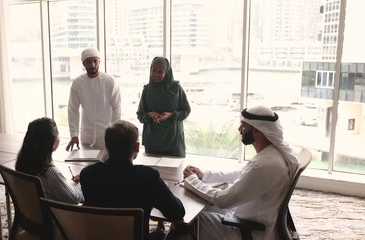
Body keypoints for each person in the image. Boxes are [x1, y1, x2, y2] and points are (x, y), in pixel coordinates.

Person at [170, 105, 299, 240]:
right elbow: (243, 174)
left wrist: (192, 180)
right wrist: (205, 175)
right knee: (200, 206)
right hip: (247, 217)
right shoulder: (271, 155)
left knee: (185, 219)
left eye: (243, 125)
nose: (239, 129)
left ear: (256, 131)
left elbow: (223, 200)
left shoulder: (264, 165)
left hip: (245, 230)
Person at [80, 120, 186, 240]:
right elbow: (177, 213)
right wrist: (162, 188)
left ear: (106, 145)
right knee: (171, 232)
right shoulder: (147, 177)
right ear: (136, 147)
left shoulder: (88, 174)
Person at [15, 117, 84, 204]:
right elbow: (75, 199)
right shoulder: (51, 174)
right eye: (58, 135)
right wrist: (82, 182)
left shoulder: (22, 163)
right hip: (51, 216)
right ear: (52, 142)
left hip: (29, 214)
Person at [66, 48, 121, 151]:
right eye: (88, 61)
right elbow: (73, 110)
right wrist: (74, 135)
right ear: (83, 63)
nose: (92, 65)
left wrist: (114, 134)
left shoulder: (110, 82)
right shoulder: (77, 83)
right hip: (86, 137)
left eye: (95, 61)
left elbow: (117, 109)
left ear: (99, 61)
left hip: (107, 137)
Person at [136, 57, 191, 158]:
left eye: (160, 72)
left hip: (173, 141)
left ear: (167, 72)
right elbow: (140, 115)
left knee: (174, 172)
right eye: (154, 71)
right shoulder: (147, 90)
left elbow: (186, 110)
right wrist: (150, 114)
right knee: (152, 172)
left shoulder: (176, 88)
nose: (156, 75)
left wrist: (172, 115)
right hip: (152, 143)